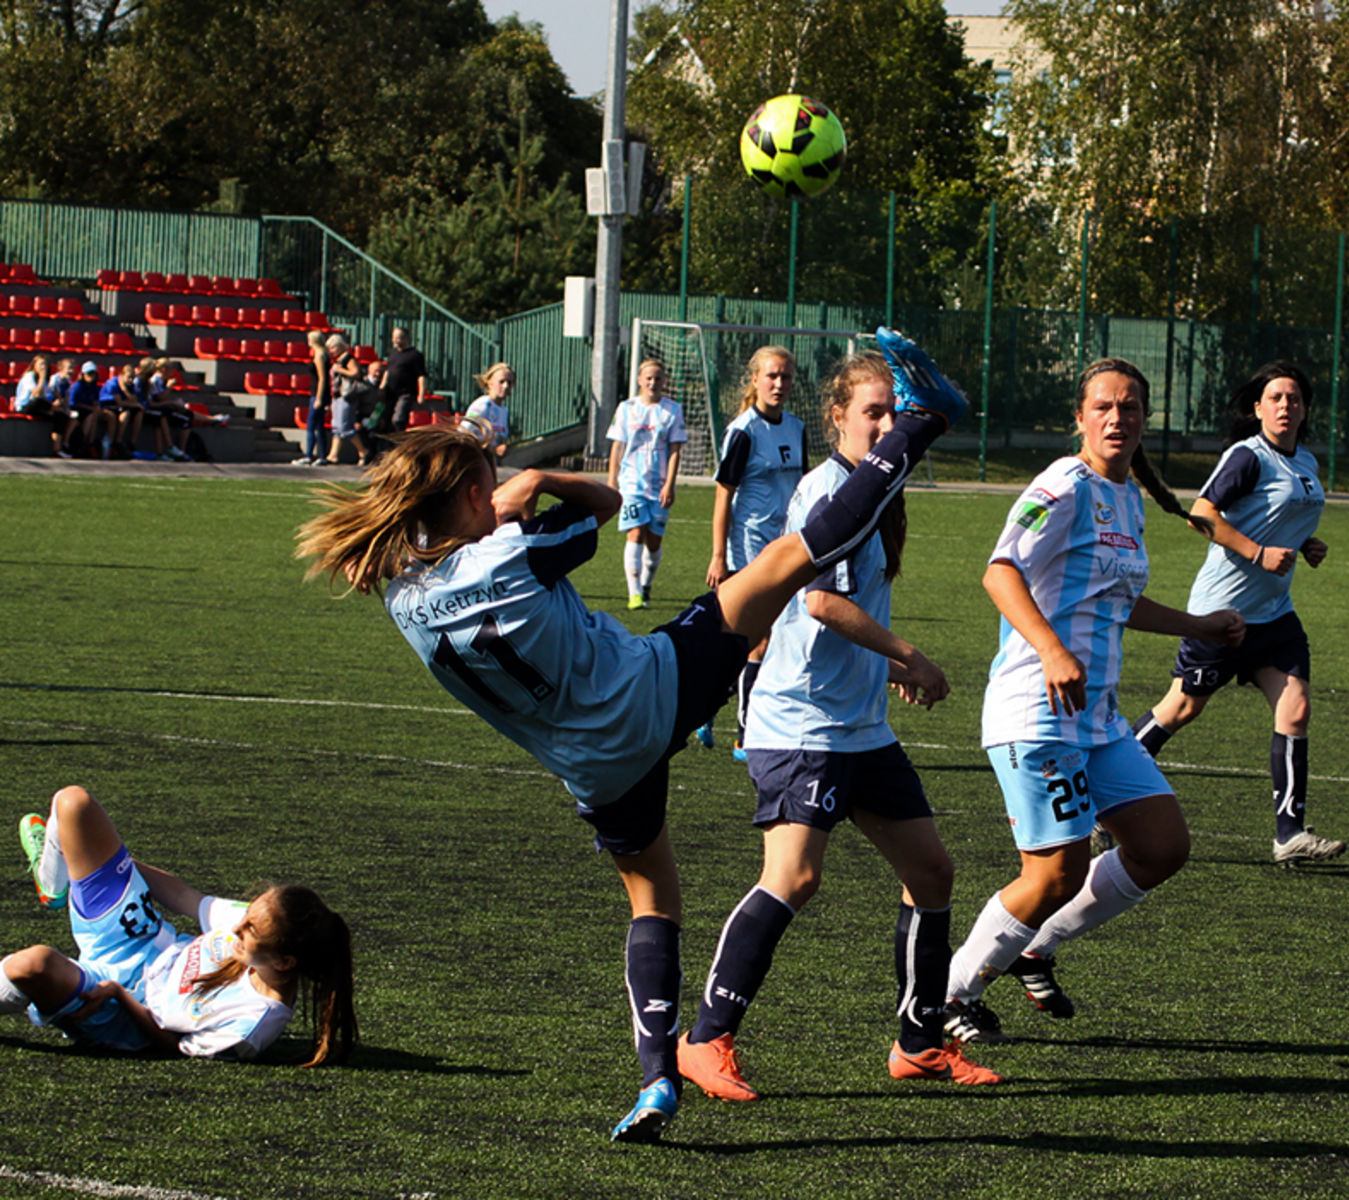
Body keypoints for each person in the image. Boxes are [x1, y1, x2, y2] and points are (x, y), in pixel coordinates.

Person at [294, 326, 965, 1143]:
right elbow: (606, 509)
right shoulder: (512, 554)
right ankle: (923, 424)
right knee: (790, 559)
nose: (503, 486)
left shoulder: (403, 601)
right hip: (655, 685)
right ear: (476, 497)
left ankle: (656, 1080)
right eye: (491, 480)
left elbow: (434, 563)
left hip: (595, 769)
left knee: (654, 903)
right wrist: (540, 480)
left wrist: (483, 514)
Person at [678, 351, 999, 1104]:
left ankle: (918, 1042)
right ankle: (704, 1038)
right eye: (872, 413)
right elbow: (820, 603)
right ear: (837, 420)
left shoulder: (880, 495)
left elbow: (826, 619)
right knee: (794, 877)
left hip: (857, 725)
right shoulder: (830, 492)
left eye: (894, 412)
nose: (886, 426)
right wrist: (908, 655)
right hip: (799, 725)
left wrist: (886, 670)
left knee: (931, 872)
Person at [941, 358, 1243, 1046]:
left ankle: (1033, 947)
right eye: (1102, 407)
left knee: (1161, 845)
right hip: (1036, 709)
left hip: (1098, 721)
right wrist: (1050, 649)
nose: (1117, 418)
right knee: (1054, 871)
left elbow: (1117, 597)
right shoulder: (1062, 484)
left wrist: (1199, 625)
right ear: (1079, 418)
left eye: (1130, 407)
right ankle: (949, 994)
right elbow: (999, 571)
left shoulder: (1128, 497)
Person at [1129, 360, 1346, 868]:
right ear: (1258, 408)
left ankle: (1289, 834)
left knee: (1295, 707)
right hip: (1222, 615)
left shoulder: (1307, 464)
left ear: (1305, 409)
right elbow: (1201, 514)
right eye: (1275, 398)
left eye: (1294, 399)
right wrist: (1257, 553)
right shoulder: (1248, 457)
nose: (1285, 406)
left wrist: (1304, 544)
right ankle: (1101, 797)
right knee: (1181, 709)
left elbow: (1281, 519)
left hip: (1275, 616)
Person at [6, 786, 357, 1066]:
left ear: (283, 962)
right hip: (141, 938)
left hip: (121, 1008)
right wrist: (110, 860)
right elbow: (183, 895)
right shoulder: (260, 924)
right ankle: (52, 883)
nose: (237, 927)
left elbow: (174, 1046)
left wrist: (118, 994)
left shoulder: (252, 1025)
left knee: (33, 964)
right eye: (247, 914)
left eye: (250, 929)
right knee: (74, 804)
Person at [701, 346, 806, 757]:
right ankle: (747, 733)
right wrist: (717, 556)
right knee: (758, 638)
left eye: (785, 377)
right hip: (749, 548)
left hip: (787, 547)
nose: (778, 384)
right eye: (771, 376)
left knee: (757, 640)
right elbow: (723, 497)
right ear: (756, 380)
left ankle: (705, 705)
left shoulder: (796, 428)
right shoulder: (744, 431)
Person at [606, 358, 687, 611]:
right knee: (636, 533)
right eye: (648, 378)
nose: (653, 382)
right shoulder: (626, 408)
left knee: (654, 542)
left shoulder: (672, 410)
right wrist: (612, 481)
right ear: (640, 380)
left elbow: (675, 449)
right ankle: (634, 594)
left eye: (658, 378)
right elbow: (617, 446)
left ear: (664, 381)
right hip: (631, 483)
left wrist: (670, 484)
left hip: (659, 484)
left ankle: (646, 584)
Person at [325, 334, 375, 468]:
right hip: (338, 396)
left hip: (347, 396)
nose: (331, 351)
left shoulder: (348, 359)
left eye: (333, 347)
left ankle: (363, 451)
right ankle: (333, 455)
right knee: (336, 426)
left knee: (345, 426)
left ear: (340, 346)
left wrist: (340, 370)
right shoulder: (337, 361)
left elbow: (355, 373)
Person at [12, 354, 72, 459]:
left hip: (39, 406)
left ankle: (57, 449)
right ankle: (53, 409)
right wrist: (42, 376)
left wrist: (54, 405)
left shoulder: (45, 380)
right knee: (39, 402)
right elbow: (36, 394)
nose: (43, 367)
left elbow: (44, 397)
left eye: (45, 365)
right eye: (40, 364)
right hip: (26, 406)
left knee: (61, 416)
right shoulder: (29, 376)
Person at [380, 325, 428, 434]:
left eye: (398, 338)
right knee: (386, 419)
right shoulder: (393, 353)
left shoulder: (415, 355)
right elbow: (388, 370)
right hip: (391, 392)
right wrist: (382, 386)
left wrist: (421, 395)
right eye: (393, 337)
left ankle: (400, 442)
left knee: (398, 419)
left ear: (406, 338)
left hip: (406, 393)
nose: (395, 340)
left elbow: (421, 376)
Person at [294, 329, 332, 466]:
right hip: (319, 393)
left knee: (311, 424)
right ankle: (321, 455)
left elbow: (322, 378)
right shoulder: (323, 354)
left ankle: (309, 455)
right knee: (319, 425)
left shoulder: (319, 355)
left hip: (317, 394)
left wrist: (319, 398)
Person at [462, 362, 514, 459]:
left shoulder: (504, 410)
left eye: (509, 382)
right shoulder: (483, 405)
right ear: (490, 383)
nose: (506, 386)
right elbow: (464, 434)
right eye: (501, 382)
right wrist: (493, 449)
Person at [67, 362, 111, 459]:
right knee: (91, 416)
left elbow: (96, 401)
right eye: (88, 374)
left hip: (90, 411)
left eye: (93, 374)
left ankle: (109, 443)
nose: (91, 376)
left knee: (106, 415)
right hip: (78, 411)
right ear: (83, 374)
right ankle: (85, 442)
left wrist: (96, 408)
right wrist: (91, 408)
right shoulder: (78, 386)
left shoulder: (95, 387)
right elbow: (74, 403)